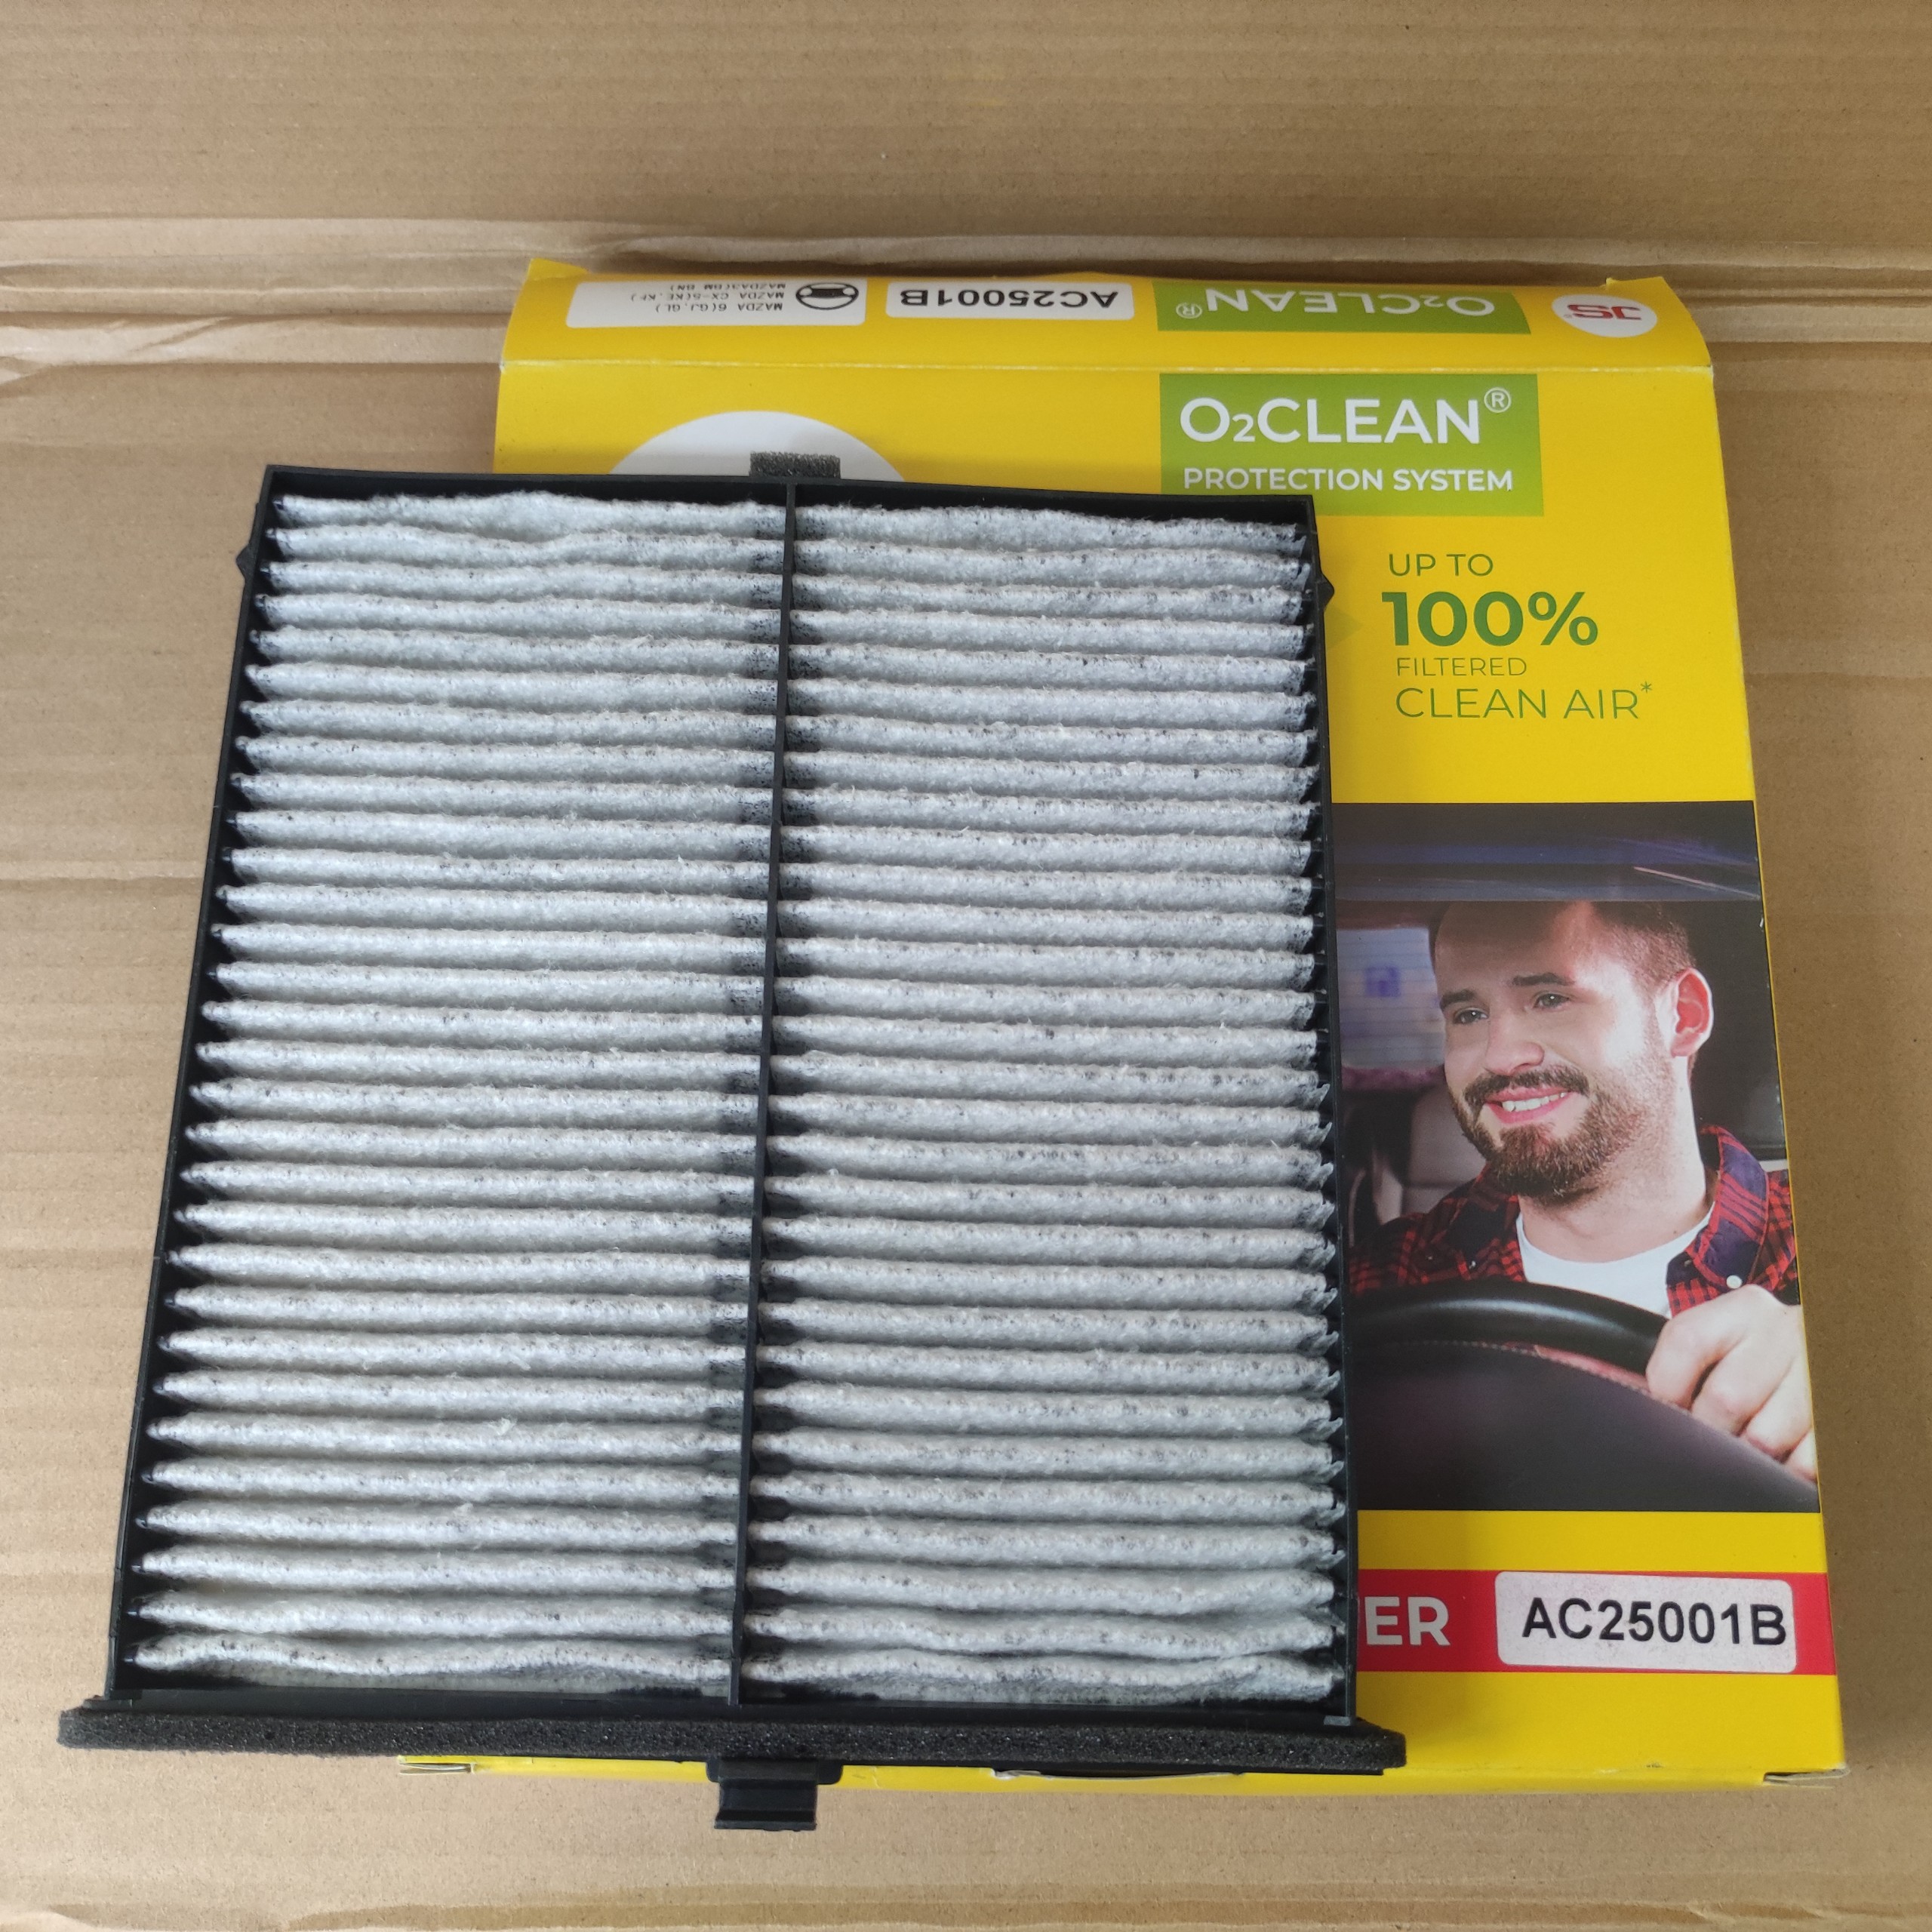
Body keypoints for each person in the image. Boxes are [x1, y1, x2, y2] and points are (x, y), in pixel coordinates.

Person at [1348, 898, 1814, 1479]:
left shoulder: (1848, 1258)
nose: (1500, 1056)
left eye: (1550, 999)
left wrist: (1857, 1376)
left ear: (1684, 1017)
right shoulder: (1386, 1280)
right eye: (1468, 1014)